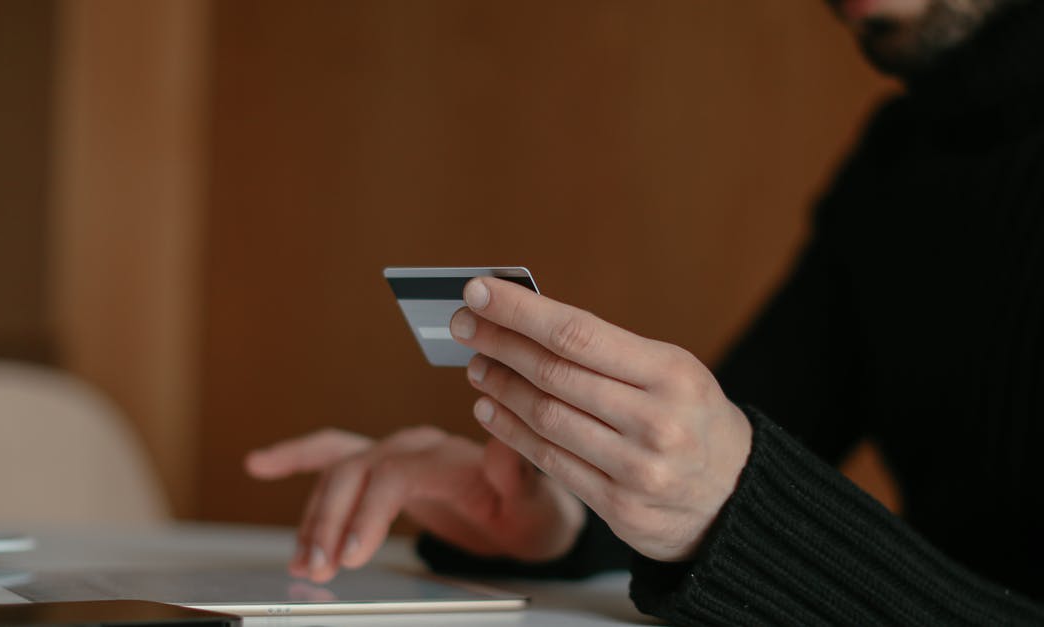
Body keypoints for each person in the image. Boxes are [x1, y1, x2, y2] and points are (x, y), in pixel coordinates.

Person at [245, 0, 1044, 623]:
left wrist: (739, 508)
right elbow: (750, 425)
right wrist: (557, 512)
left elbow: (733, 479)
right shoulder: (902, 159)